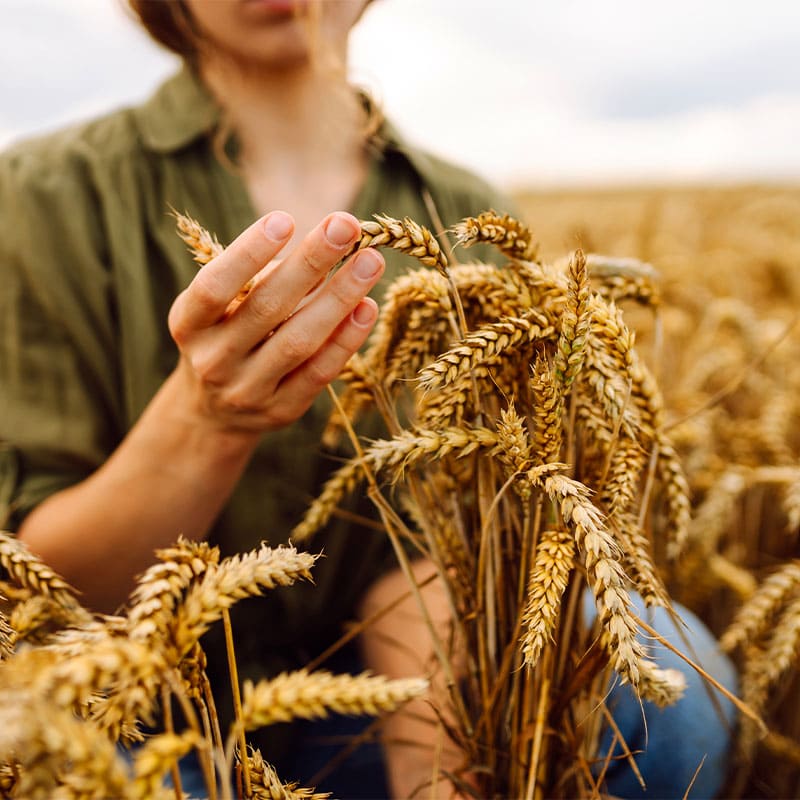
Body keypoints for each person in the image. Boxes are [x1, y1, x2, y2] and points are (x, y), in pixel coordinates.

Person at [0, 2, 737, 798]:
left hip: (380, 716)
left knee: (671, 684)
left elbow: (453, 538)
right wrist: (207, 418)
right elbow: (37, 598)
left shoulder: (467, 215)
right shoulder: (44, 194)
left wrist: (442, 766)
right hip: (133, 726)